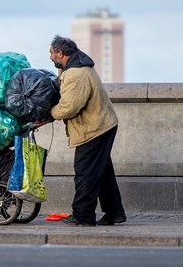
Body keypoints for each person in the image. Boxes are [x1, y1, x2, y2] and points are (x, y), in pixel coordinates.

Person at [48, 35, 126, 227]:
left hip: (94, 128)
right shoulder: (73, 67)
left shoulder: (76, 73)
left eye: (51, 53)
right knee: (101, 172)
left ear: (60, 53)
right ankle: (115, 212)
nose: (49, 57)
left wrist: (49, 114)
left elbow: (69, 107)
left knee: (85, 171)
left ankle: (83, 215)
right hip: (102, 124)